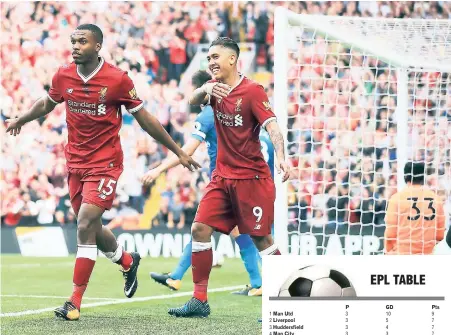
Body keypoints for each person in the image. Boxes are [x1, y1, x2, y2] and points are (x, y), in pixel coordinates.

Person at [5, 24, 199, 321]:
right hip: (75, 164)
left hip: (106, 164)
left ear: (97, 46)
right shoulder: (63, 74)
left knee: (84, 223)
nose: (76, 46)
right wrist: (23, 118)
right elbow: (48, 102)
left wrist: (178, 151)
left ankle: (74, 302)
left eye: (82, 41)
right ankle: (126, 260)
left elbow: (145, 119)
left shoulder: (118, 80)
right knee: (92, 228)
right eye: (73, 41)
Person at [167, 37, 290, 318]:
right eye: (208, 58)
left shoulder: (252, 91)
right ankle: (199, 300)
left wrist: (282, 156)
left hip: (251, 179)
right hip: (222, 178)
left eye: (215, 57)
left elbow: (272, 126)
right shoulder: (213, 90)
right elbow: (190, 101)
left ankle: (284, 302)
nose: (211, 62)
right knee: (199, 229)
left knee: (262, 240)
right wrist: (205, 88)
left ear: (232, 59)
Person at [143, 70, 275, 297]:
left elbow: (187, 151)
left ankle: (267, 285)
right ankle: (256, 282)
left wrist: (158, 170)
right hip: (257, 181)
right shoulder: (246, 116)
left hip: (226, 181)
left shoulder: (208, 114)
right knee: (225, 231)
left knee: (206, 227)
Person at [385, 161, 445, 255]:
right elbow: (440, 235)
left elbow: (390, 234)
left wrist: (389, 251)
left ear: (405, 177)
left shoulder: (396, 199)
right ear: (423, 177)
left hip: (403, 255)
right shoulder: (436, 199)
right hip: (428, 256)